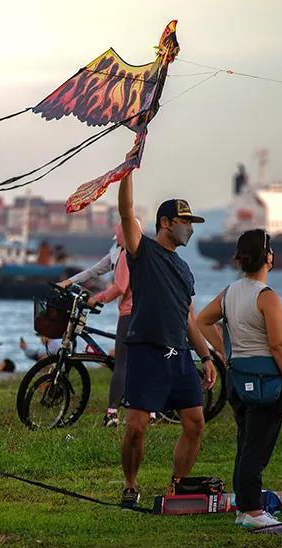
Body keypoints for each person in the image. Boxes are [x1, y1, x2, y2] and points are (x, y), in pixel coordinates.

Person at [196, 229, 282, 528]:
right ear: (268, 257)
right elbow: (278, 345)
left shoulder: (230, 291)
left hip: (237, 378)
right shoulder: (267, 296)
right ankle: (251, 511)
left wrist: (226, 352)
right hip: (265, 381)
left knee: (246, 442)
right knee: (257, 448)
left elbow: (202, 320)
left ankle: (244, 507)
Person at [116, 173, 217, 507]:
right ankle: (130, 485)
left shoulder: (185, 269)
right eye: (184, 222)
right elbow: (126, 212)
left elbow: (188, 318)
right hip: (146, 351)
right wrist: (128, 171)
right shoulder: (142, 251)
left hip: (180, 355)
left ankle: (177, 487)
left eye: (191, 223)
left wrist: (206, 356)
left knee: (195, 423)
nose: (189, 228)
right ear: (165, 222)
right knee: (136, 427)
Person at [59, 221, 138, 427]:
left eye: (118, 238)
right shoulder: (127, 253)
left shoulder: (126, 255)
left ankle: (112, 414)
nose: (117, 242)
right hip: (144, 312)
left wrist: (97, 298)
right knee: (137, 362)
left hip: (131, 313)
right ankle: (150, 411)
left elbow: (120, 287)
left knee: (122, 363)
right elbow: (93, 271)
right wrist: (69, 282)